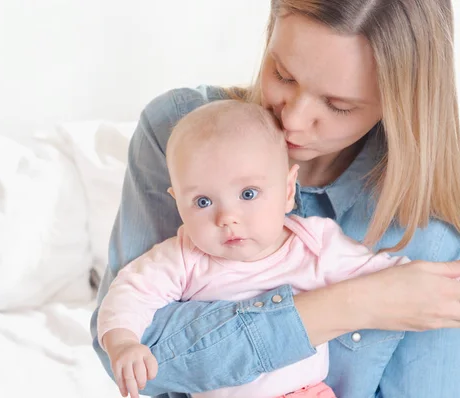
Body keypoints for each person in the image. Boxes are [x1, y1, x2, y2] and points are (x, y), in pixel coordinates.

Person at [90, 1, 460, 397]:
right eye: (283, 75)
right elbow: (139, 364)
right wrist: (354, 304)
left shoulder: (431, 230)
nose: (294, 121)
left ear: (400, 104)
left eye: (339, 105)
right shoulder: (177, 134)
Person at [97, 100, 411, 398]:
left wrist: (425, 279)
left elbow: (382, 275)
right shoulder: (183, 257)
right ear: (178, 203)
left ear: (289, 191)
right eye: (203, 202)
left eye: (248, 194)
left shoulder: (314, 245)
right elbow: (130, 292)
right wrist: (123, 342)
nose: (226, 218)